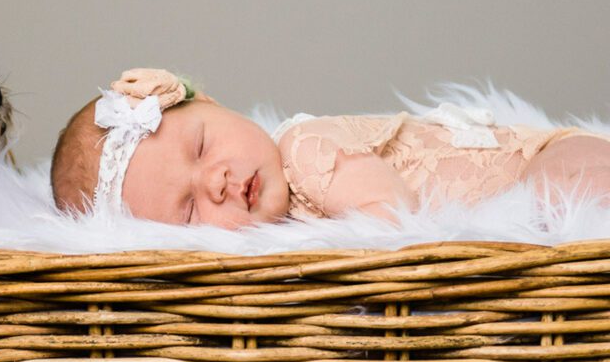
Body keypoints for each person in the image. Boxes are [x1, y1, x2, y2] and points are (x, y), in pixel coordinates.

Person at [50, 69, 610, 228]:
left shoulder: (304, 151)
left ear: (213, 103)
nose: (215, 181)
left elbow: (395, 222)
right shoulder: (284, 214)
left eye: (201, 146)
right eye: (190, 210)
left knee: (560, 198)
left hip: (540, 159)